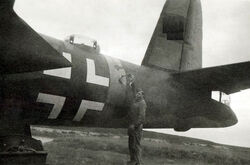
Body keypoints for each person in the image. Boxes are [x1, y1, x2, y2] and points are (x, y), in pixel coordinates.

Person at [127, 89, 147, 165]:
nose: (137, 95)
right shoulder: (136, 102)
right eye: (137, 93)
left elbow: (142, 117)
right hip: (132, 126)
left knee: (136, 145)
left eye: (139, 94)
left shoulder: (142, 103)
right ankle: (133, 161)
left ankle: (138, 163)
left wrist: (135, 125)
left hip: (136, 127)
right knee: (131, 144)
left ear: (143, 96)